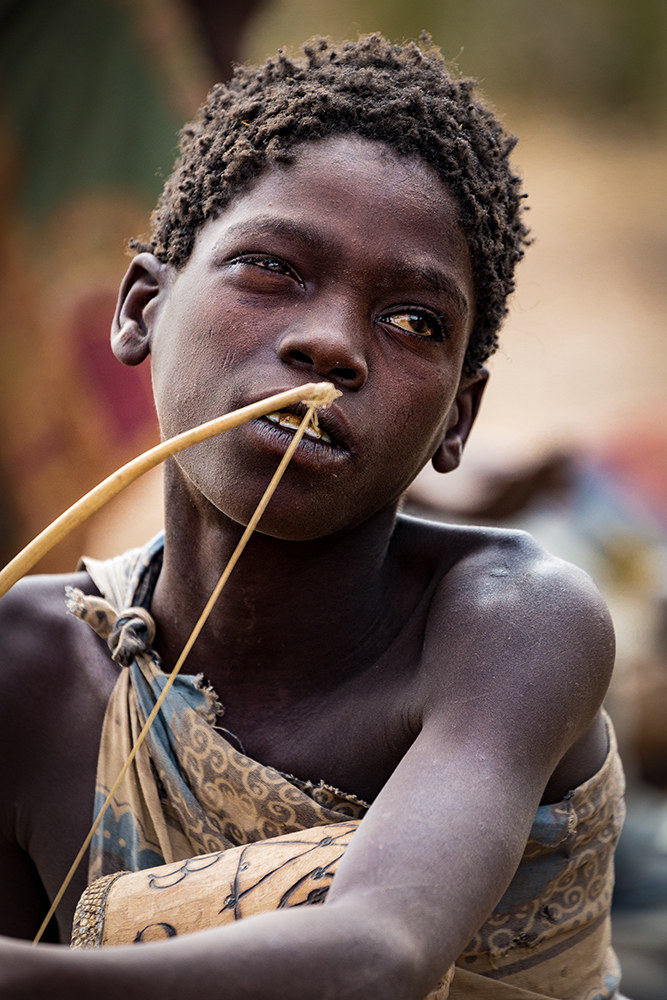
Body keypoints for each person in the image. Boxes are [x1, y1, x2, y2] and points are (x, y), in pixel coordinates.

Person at [0, 33, 625, 1000]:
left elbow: (380, 952)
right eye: (272, 269)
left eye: (413, 320)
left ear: (456, 418)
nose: (330, 343)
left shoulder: (513, 624)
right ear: (139, 312)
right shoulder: (30, 668)